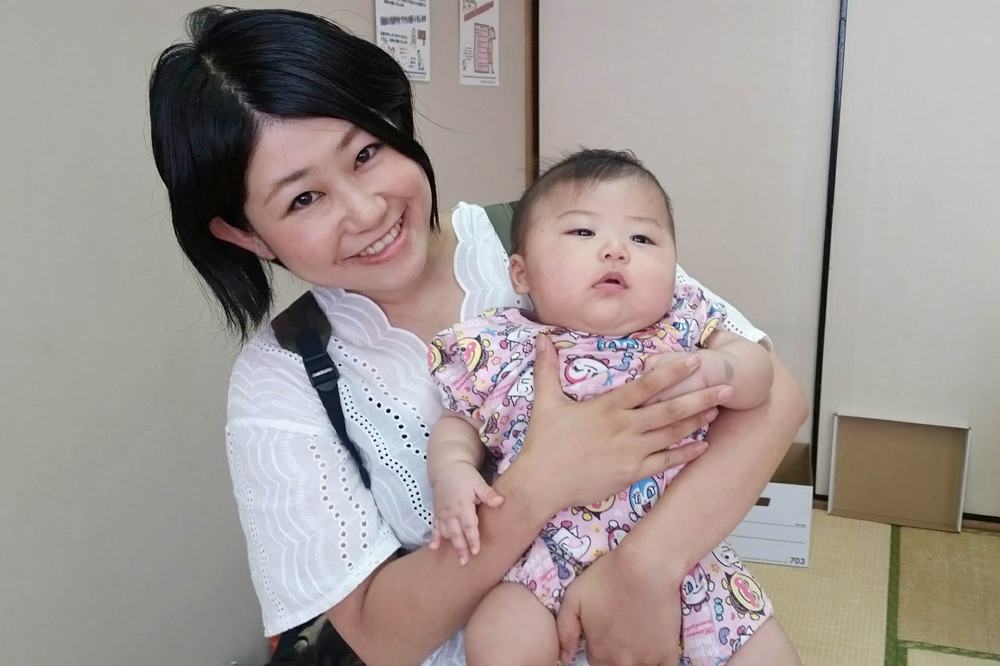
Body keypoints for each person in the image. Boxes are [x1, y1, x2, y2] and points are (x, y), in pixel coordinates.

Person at [147, 7, 806, 666]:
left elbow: (774, 397)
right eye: (303, 199)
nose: (367, 210)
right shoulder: (282, 382)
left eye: (367, 154)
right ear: (245, 234)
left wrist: (645, 570)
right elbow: (378, 635)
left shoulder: (564, 233)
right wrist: (542, 480)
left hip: (676, 605)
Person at [426, 149, 782, 666]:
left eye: (642, 238)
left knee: (766, 654)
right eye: (582, 234)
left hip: (679, 548)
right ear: (521, 273)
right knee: (498, 637)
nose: (616, 250)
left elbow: (762, 375)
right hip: (544, 558)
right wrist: (454, 474)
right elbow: (459, 422)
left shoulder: (686, 324)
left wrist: (717, 369)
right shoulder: (498, 342)